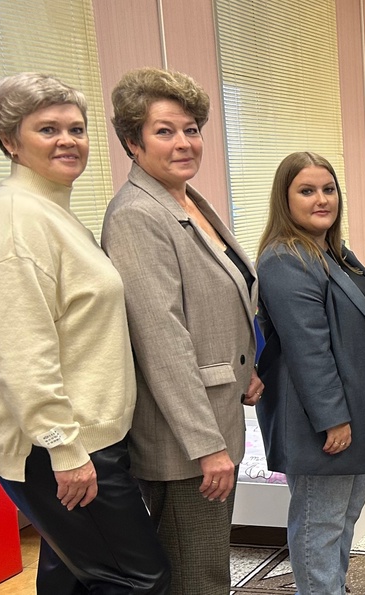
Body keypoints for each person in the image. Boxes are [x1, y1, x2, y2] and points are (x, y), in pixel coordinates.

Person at [0, 72, 170, 593]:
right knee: (140, 580)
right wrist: (64, 449)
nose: (67, 141)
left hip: (81, 439)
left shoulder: (49, 211)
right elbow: (21, 353)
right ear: (9, 141)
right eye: (47, 129)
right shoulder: (15, 221)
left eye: (76, 129)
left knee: (73, 579)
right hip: (64, 446)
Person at [102, 67, 261, 595]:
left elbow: (220, 299)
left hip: (214, 415)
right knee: (198, 576)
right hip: (184, 443)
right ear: (133, 142)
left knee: (208, 565)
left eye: (191, 129)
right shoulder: (136, 215)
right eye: (164, 131)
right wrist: (206, 447)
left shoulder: (186, 200)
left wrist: (246, 367)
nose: (184, 142)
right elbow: (161, 340)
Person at [254, 152, 365, 594]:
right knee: (320, 522)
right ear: (285, 199)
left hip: (352, 408)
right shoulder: (285, 259)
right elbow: (308, 348)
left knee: (344, 514)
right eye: (307, 191)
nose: (321, 199)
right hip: (320, 418)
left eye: (328, 189)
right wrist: (333, 418)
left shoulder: (333, 252)